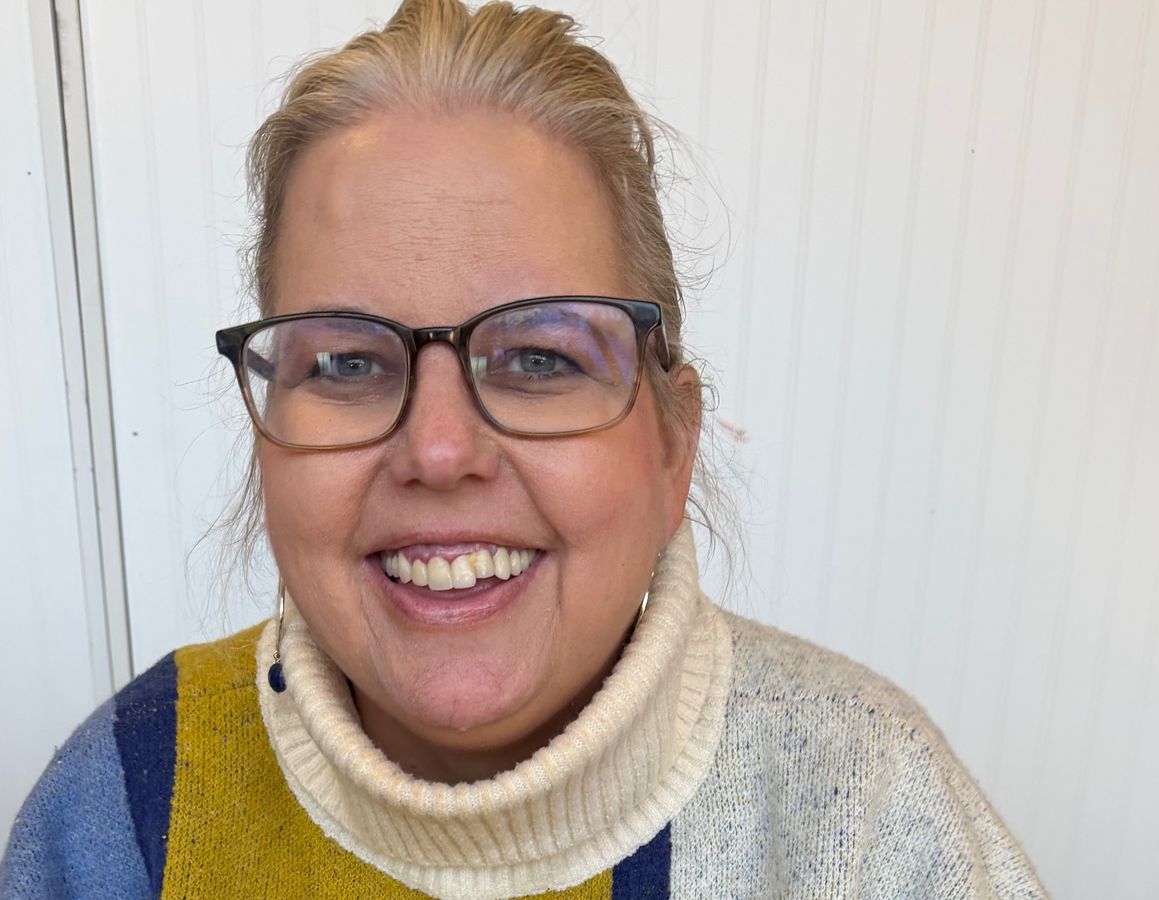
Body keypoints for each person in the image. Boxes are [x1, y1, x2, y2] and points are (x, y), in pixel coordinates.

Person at [2, 1, 1048, 897]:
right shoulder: (121, 810)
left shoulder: (871, 818)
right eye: (349, 363)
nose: (439, 449)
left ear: (673, 445)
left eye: (540, 358)